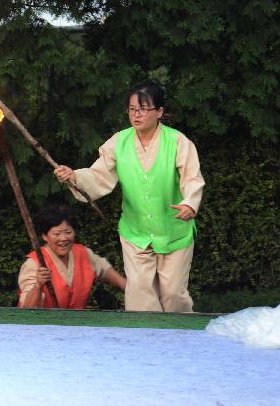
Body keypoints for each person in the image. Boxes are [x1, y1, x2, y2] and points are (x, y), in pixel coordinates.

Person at [54, 81, 205, 312]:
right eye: (132, 109)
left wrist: (189, 204)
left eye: (143, 109)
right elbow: (98, 175)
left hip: (174, 232)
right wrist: (73, 176)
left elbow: (192, 178)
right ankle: (145, 345)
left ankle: (180, 342)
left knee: (173, 295)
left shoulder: (177, 142)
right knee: (140, 298)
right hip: (136, 233)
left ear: (159, 112)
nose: (136, 115)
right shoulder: (119, 141)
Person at [18, 204, 126, 309]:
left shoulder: (83, 253)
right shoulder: (34, 263)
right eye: (57, 234)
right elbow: (28, 309)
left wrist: (126, 286)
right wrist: (38, 285)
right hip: (42, 325)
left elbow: (104, 270)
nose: (64, 238)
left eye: (68, 232)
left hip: (77, 325)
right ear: (44, 236)